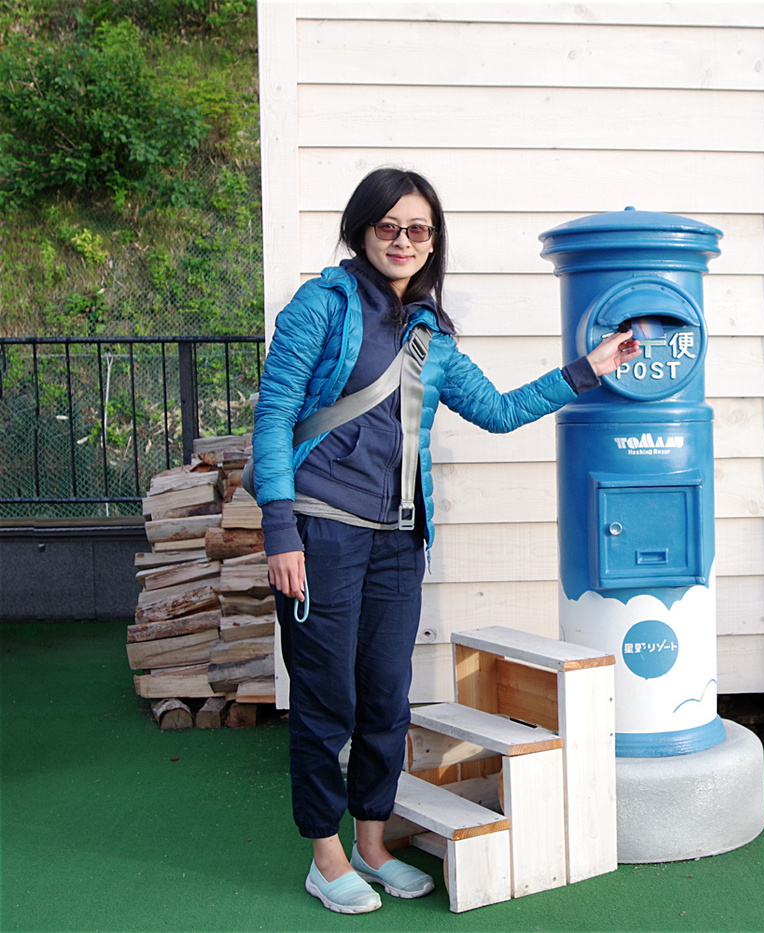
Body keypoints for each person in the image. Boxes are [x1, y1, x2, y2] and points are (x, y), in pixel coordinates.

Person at [252, 168, 639, 914]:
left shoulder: (430, 333)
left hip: (400, 540)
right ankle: (324, 854)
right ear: (362, 231)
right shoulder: (320, 306)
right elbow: (273, 418)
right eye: (389, 227)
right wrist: (279, 528)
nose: (403, 241)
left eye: (418, 229)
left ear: (433, 242)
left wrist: (586, 371)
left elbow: (497, 410)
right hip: (320, 531)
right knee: (326, 699)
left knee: (386, 699)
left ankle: (371, 842)